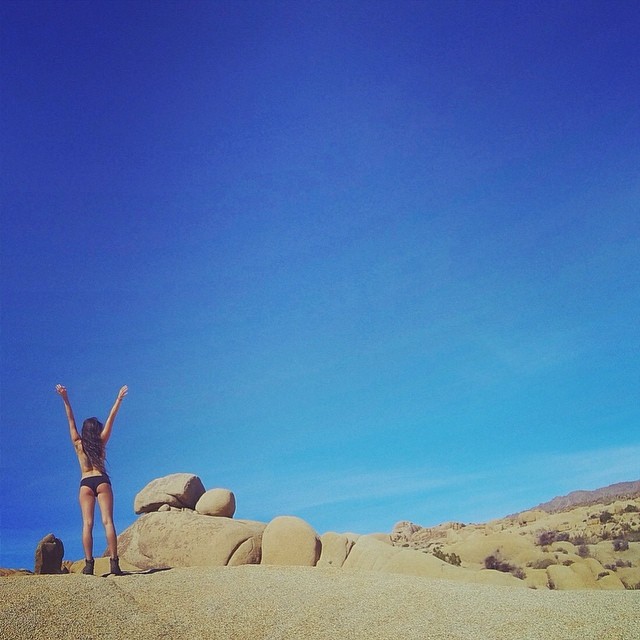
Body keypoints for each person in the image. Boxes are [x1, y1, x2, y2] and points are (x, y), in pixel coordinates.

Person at [55, 383, 128, 576]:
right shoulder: (101, 443)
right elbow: (112, 417)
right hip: (102, 480)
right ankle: (114, 564)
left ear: (84, 431)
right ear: (96, 431)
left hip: (86, 483)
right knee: (108, 521)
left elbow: (70, 419)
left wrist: (65, 398)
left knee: (87, 524)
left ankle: (89, 565)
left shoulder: (78, 444)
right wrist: (118, 399)